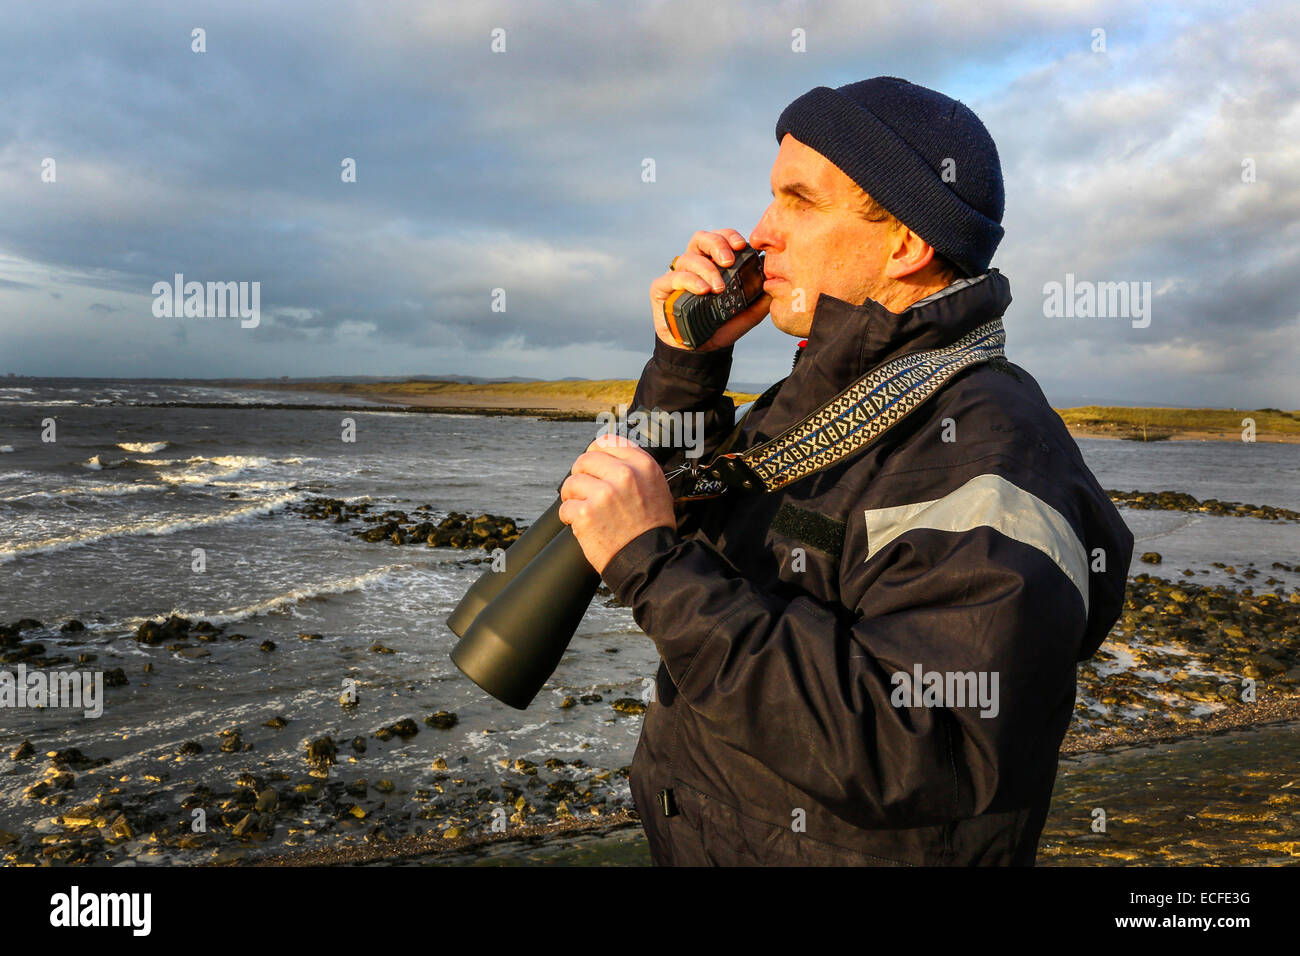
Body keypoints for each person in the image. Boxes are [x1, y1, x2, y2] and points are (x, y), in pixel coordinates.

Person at [558, 77, 1134, 866]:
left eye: (798, 200)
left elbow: (926, 742)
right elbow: (699, 525)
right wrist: (688, 367)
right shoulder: (820, 399)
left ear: (905, 242)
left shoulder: (993, 454)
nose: (761, 234)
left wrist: (654, 573)